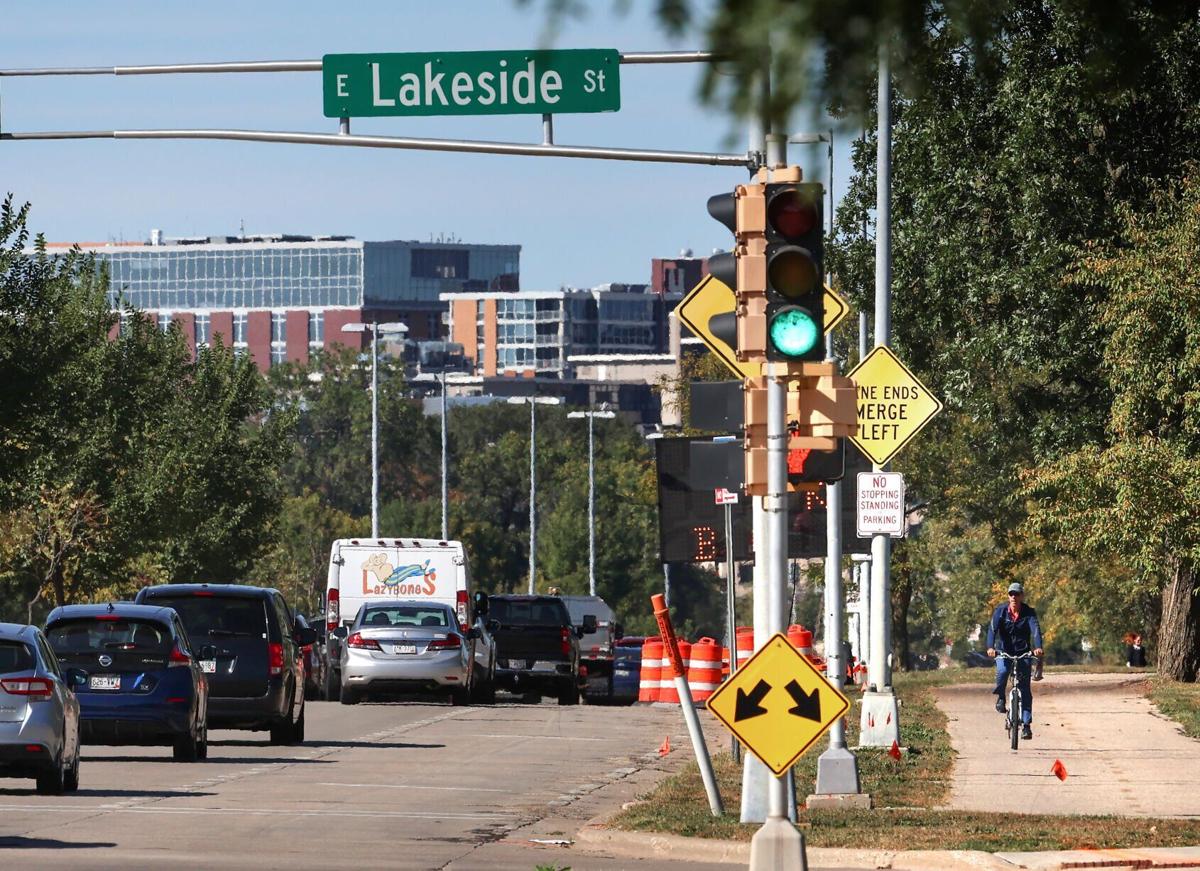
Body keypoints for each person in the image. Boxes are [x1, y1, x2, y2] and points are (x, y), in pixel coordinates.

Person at [987, 582, 1044, 740]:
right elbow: (992, 630)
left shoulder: (1029, 613)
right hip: (1003, 651)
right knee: (1003, 672)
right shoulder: (1000, 612)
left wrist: (1038, 647)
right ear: (1008, 596)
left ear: (1022, 596)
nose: (1014, 597)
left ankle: (1026, 725)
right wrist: (990, 648)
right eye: (1011, 594)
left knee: (1024, 689)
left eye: (1017, 594)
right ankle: (1001, 697)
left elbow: (1036, 631)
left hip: (1023, 653)